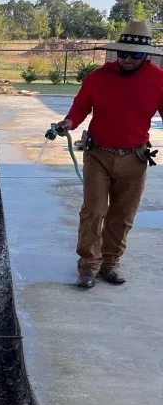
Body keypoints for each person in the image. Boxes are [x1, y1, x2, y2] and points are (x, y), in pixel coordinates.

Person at [57, 20, 163, 289]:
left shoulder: (158, 80)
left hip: (135, 158)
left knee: (122, 214)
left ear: (146, 55)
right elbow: (81, 106)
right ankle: (88, 267)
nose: (127, 59)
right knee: (93, 210)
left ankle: (110, 263)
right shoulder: (98, 77)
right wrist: (69, 122)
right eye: (123, 53)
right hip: (98, 155)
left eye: (135, 54)